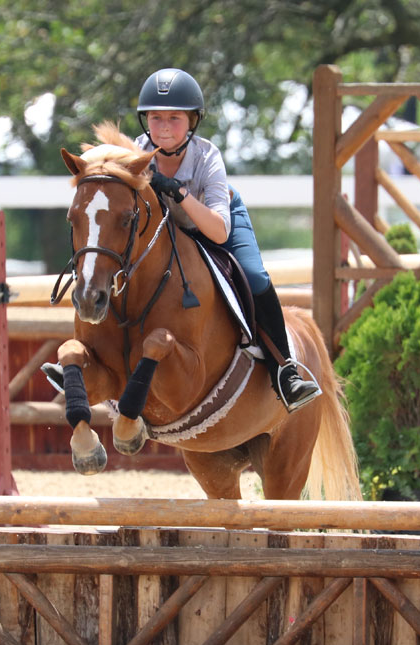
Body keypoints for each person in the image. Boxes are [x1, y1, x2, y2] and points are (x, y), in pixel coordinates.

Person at [135, 67, 320, 412]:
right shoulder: (136, 154)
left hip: (216, 220)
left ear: (192, 120)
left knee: (253, 276)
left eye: (174, 118)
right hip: (169, 234)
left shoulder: (207, 156)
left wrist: (177, 193)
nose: (162, 127)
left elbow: (218, 231)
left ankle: (286, 371)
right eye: (155, 117)